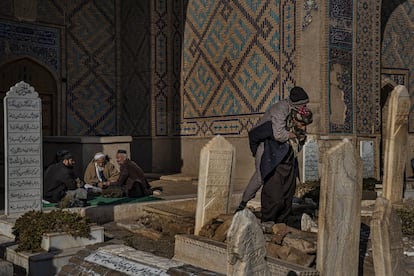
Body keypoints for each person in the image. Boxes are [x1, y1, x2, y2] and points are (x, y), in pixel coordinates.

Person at [236, 86, 313, 224]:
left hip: (282, 150)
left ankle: (281, 219)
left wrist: (298, 136)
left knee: (287, 187)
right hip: (267, 146)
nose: (304, 107)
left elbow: (298, 134)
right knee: (261, 177)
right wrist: (294, 135)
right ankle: (243, 203)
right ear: (296, 104)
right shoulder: (280, 109)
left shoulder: (296, 112)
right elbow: (279, 135)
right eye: (302, 104)